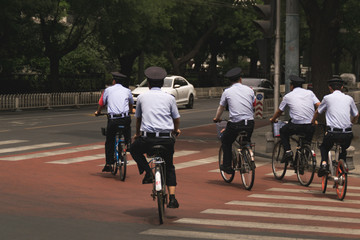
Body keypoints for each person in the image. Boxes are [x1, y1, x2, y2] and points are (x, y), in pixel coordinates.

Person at [130, 66, 181, 209]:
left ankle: (148, 172)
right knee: (169, 166)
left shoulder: (141, 97)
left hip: (147, 139)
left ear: (148, 83)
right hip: (166, 139)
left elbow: (138, 119)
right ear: (163, 83)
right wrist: (176, 130)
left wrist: (137, 134)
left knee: (134, 149)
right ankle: (172, 198)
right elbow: (176, 118)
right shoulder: (170, 98)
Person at [312, 77, 359, 177]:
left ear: (330, 87)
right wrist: (352, 122)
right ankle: (342, 169)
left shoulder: (327, 98)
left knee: (324, 147)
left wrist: (312, 121)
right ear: (342, 87)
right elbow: (356, 115)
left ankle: (324, 164)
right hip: (347, 133)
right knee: (343, 149)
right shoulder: (349, 99)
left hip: (333, 133)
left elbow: (318, 112)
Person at [213, 67, 255, 174]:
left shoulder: (227, 92)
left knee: (226, 141)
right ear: (240, 79)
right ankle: (248, 156)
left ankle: (227, 166)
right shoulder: (250, 90)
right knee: (246, 140)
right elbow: (253, 103)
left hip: (235, 124)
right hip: (250, 123)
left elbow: (221, 107)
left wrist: (217, 118)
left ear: (230, 81)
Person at [270, 75, 320, 163]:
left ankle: (288, 152)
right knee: (306, 142)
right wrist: (314, 118)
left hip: (296, 125)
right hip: (310, 125)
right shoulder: (310, 93)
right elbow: (319, 106)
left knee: (283, 131)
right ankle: (303, 162)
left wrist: (273, 119)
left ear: (291, 86)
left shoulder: (288, 96)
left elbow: (279, 112)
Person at [95, 72, 134, 172]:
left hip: (113, 120)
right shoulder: (127, 90)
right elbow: (130, 104)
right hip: (125, 118)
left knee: (109, 140)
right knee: (127, 127)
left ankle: (108, 163)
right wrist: (130, 110)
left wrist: (98, 112)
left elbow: (101, 103)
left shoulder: (108, 90)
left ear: (114, 81)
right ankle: (128, 143)